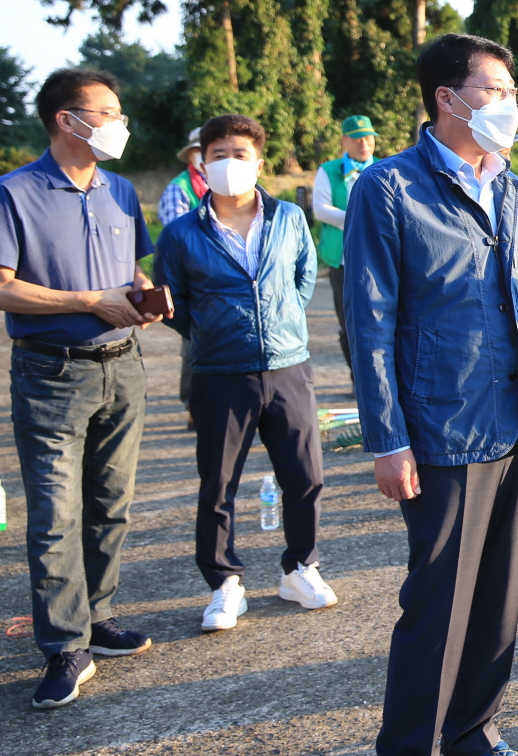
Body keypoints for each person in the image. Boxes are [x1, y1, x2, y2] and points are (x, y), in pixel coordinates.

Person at [343, 32, 518, 756]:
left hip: (514, 421)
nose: (509, 103)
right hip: (442, 426)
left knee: (498, 600)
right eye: (495, 89)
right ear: (447, 97)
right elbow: (368, 321)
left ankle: (473, 732)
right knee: (438, 604)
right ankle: (409, 745)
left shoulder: (509, 186)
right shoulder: (389, 187)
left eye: (511, 90)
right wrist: (388, 437)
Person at [0, 68, 159, 709]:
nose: (120, 123)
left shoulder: (120, 191)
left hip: (123, 366)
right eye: (109, 112)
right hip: (51, 371)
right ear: (69, 120)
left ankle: (97, 618)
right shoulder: (15, 192)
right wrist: (88, 300)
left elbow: (134, 273)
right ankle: (64, 645)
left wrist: (147, 302)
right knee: (54, 515)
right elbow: (3, 285)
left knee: (111, 503)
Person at [153, 114, 335, 632]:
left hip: (287, 367)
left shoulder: (289, 219)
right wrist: (217, 332)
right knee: (218, 483)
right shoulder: (181, 234)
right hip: (219, 371)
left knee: (305, 477)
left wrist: (281, 328)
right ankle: (224, 583)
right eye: (218, 155)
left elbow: (302, 280)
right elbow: (176, 306)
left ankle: (302, 568)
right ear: (201, 162)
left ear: (259, 162)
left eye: (240, 154)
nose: (229, 163)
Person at [313, 115, 378, 369]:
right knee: (348, 321)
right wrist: (355, 216)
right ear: (344, 141)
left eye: (368, 137)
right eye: (357, 138)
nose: (364, 143)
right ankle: (356, 377)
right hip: (341, 258)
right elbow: (320, 209)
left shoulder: (385, 167)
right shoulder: (328, 170)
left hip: (377, 256)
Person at [157, 126, 207, 418]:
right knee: (193, 345)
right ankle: (193, 406)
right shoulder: (180, 188)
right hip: (191, 278)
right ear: (192, 155)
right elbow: (177, 237)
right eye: (201, 150)